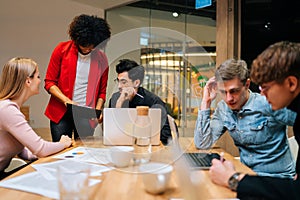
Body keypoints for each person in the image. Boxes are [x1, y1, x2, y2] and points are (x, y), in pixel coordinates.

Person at [209, 41, 300, 199]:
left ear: (291, 83)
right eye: (260, 89)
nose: (262, 95)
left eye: (266, 87)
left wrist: (233, 179)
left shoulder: (279, 111)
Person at [194, 58, 296, 178]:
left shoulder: (269, 103)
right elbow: (202, 144)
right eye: (223, 92)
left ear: (247, 85)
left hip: (277, 178)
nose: (228, 99)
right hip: (246, 175)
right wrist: (206, 102)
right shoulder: (223, 108)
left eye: (234, 91)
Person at [0, 57, 72, 180]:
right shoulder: (7, 110)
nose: (40, 81)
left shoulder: (11, 109)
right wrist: (63, 144)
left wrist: (37, 154)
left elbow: (23, 150)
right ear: (28, 81)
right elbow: (41, 149)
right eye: (38, 77)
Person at [44, 14, 111, 142]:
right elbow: (49, 82)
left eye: (92, 46)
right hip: (61, 113)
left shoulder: (101, 59)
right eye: (85, 45)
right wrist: (66, 100)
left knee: (84, 152)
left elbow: (102, 92)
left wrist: (97, 110)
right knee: (61, 152)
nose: (88, 49)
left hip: (86, 115)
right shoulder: (62, 50)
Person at [108, 59, 172, 145]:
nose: (119, 86)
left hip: (146, 147)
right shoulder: (116, 98)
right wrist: (120, 103)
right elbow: (110, 131)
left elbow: (167, 135)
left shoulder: (153, 101)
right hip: (120, 146)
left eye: (123, 82)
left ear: (136, 83)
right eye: (118, 81)